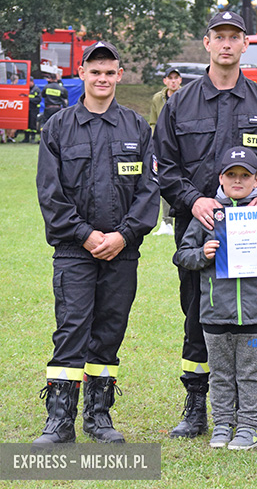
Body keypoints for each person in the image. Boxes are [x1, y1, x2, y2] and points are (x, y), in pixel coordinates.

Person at [155, 11, 257, 440]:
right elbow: (164, 166)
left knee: (252, 313)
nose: (227, 44)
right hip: (201, 227)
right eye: (220, 36)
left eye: (235, 37)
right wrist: (193, 200)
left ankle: (250, 410)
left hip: (254, 232)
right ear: (208, 43)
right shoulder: (181, 103)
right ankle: (198, 403)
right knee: (198, 314)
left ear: (245, 44)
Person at [34, 41, 159, 444]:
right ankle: (59, 420)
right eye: (95, 72)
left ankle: (98, 417)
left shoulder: (137, 127)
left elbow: (148, 190)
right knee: (71, 330)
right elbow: (50, 193)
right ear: (82, 75)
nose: (102, 79)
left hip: (123, 251)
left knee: (109, 331)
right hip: (74, 250)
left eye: (110, 72)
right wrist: (87, 235)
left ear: (120, 76)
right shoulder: (58, 126)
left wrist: (123, 235)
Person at [175, 147, 257, 450]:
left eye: (245, 176)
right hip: (215, 313)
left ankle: (249, 427)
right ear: (221, 179)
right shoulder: (209, 214)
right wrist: (202, 255)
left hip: (255, 314)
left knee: (251, 373)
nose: (238, 181)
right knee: (221, 374)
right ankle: (223, 424)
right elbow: (182, 255)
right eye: (232, 175)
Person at [149, 67, 183, 236]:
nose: (173, 81)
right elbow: (153, 122)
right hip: (164, 145)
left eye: (176, 78)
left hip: (183, 143)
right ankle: (166, 221)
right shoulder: (158, 98)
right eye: (170, 78)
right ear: (165, 81)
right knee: (166, 179)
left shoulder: (187, 95)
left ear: (180, 80)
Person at [20, 78, 42, 143]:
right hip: (26, 109)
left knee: (33, 125)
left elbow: (38, 100)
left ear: (32, 82)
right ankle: (26, 138)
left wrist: (29, 100)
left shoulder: (36, 90)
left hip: (34, 109)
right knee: (26, 125)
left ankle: (32, 138)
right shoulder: (26, 89)